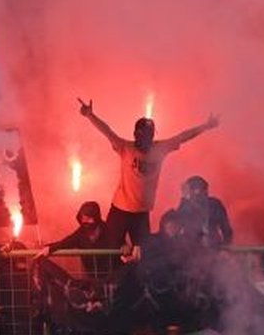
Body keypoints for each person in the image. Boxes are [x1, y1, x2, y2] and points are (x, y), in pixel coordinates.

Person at [77, 97, 220, 247]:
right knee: (112, 248)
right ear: (136, 134)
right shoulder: (126, 148)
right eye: (145, 135)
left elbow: (183, 136)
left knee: (144, 252)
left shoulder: (160, 149)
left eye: (150, 135)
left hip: (141, 214)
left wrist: (206, 126)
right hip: (120, 211)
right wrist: (90, 115)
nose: (148, 139)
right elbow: (108, 132)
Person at [36, 201, 116, 277]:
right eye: (83, 218)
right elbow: (66, 242)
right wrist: (49, 248)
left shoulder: (108, 230)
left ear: (96, 217)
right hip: (91, 276)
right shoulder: (81, 232)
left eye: (89, 218)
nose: (86, 222)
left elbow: (118, 245)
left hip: (111, 275)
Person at [175, 175, 234, 249]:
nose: (198, 193)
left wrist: (225, 247)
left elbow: (226, 228)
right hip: (190, 248)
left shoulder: (214, 204)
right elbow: (175, 228)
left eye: (203, 189)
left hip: (213, 246)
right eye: (193, 189)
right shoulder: (185, 206)